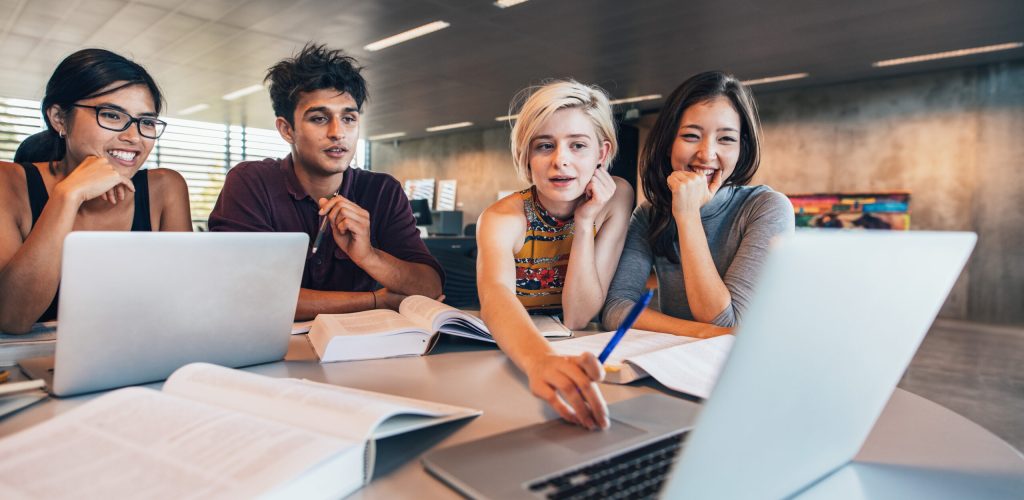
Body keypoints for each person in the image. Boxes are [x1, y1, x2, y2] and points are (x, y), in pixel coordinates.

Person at [208, 44, 443, 320]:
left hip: (361, 351)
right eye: (319, 119)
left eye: (349, 118)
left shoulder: (382, 190)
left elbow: (430, 287)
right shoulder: (252, 182)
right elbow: (247, 295)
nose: (337, 133)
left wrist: (368, 255)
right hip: (274, 349)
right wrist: (374, 301)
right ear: (287, 129)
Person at [476, 80, 634, 430]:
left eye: (578, 145)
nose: (560, 160)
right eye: (544, 146)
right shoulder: (502, 218)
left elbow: (578, 315)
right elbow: (495, 295)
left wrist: (585, 221)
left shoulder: (616, 197)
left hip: (578, 350)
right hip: (513, 355)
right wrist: (540, 362)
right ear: (526, 156)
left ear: (601, 154)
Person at [0, 49, 191, 334]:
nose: (133, 137)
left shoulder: (165, 189)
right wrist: (68, 195)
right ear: (59, 119)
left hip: (140, 358)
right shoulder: (8, 182)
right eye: (112, 115)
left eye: (146, 122)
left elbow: (185, 305)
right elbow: (12, 318)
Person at [603, 71, 795, 338]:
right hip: (674, 361)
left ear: (742, 148)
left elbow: (724, 319)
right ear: (669, 143)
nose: (707, 154)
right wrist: (700, 333)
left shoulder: (767, 208)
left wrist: (687, 214)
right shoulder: (649, 214)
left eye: (726, 138)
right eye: (692, 136)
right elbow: (616, 309)